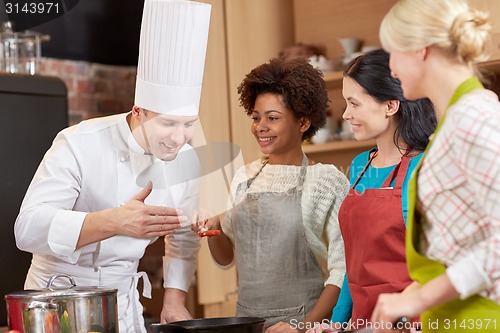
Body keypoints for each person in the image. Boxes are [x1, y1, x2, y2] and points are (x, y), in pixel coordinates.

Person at [14, 1, 211, 332]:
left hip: (122, 304)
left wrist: (174, 299)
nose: (179, 138)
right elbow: (28, 229)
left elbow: (182, 237)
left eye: (188, 124)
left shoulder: (187, 160)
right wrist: (113, 221)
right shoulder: (78, 142)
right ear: (138, 112)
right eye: (168, 124)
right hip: (57, 301)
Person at [370, 0, 500, 332]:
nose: (392, 68)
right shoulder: (455, 120)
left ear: (420, 49)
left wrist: (420, 299)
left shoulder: (472, 117)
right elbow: (463, 247)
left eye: (393, 53)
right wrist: (414, 293)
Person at [195, 57, 350, 332]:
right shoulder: (245, 176)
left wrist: (303, 328)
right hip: (245, 322)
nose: (260, 126)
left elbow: (342, 271)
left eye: (272, 118)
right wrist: (214, 227)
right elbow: (226, 257)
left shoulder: (326, 181)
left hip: (301, 323)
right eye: (256, 117)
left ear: (303, 122)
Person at [307, 49, 436, 333]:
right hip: (365, 323)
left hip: (413, 324)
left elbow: (439, 264)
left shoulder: (425, 167)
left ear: (390, 105)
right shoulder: (359, 166)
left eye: (354, 103)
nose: (346, 114)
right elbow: (356, 264)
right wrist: (337, 324)